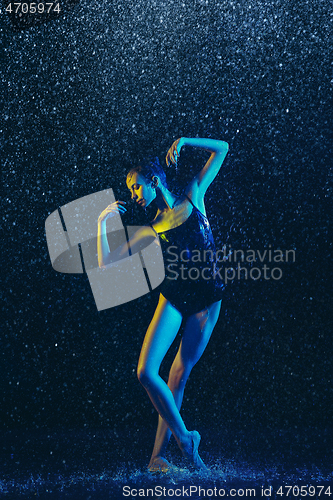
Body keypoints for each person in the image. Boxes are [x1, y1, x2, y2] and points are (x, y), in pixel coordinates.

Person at [97, 137, 229, 472]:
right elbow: (106, 263)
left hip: (206, 299)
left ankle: (159, 456)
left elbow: (223, 148)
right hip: (174, 295)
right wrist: (102, 223)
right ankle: (185, 440)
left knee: (177, 376)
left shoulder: (193, 195)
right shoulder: (154, 226)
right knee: (145, 372)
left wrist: (186, 140)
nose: (134, 195)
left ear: (154, 181)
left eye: (136, 188)